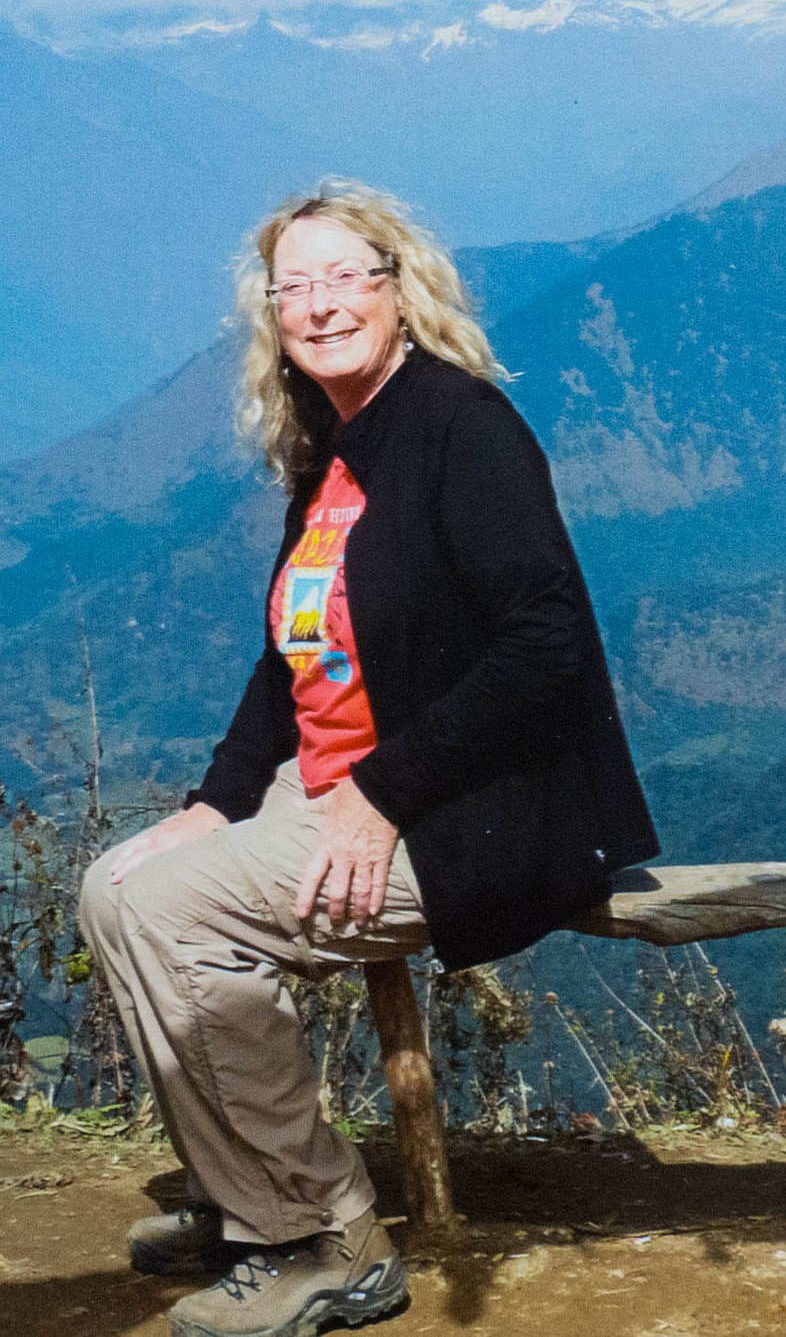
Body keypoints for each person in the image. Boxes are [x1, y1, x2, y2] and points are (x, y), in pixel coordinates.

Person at [79, 178, 658, 1337]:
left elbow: (544, 645)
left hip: (475, 807)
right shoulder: (339, 448)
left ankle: (321, 1238)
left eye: (346, 275)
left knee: (179, 919)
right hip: (363, 787)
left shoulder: (462, 429)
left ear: (402, 289)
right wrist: (219, 799)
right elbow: (292, 655)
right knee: (116, 884)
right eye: (296, 285)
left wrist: (381, 798)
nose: (320, 303)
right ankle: (249, 1195)